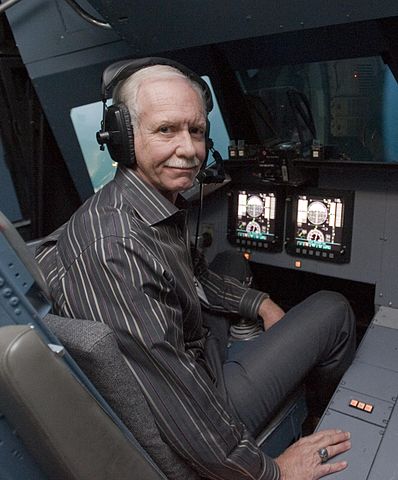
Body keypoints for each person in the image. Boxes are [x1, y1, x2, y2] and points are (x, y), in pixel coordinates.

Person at [36, 58, 355, 480]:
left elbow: (193, 275)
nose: (189, 150)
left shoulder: (134, 206)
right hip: (203, 407)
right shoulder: (117, 250)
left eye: (197, 130)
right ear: (121, 138)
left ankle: (247, 330)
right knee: (333, 309)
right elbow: (180, 407)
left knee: (226, 263)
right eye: (166, 130)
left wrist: (260, 304)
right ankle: (318, 418)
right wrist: (273, 472)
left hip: (190, 352)